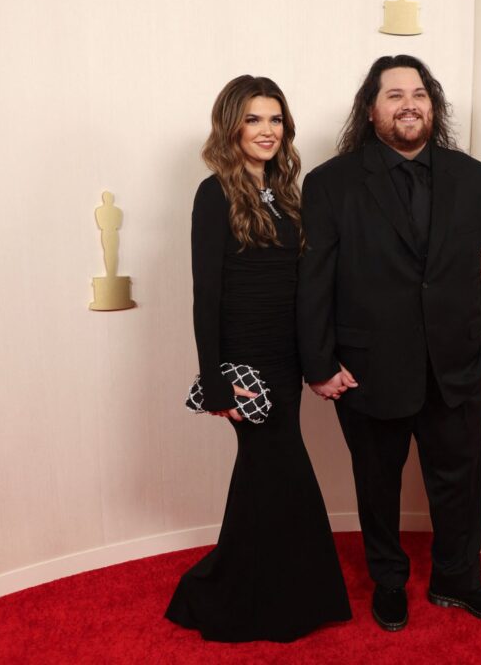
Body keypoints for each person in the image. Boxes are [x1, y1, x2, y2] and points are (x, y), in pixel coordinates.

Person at [297, 55, 481, 631]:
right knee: (377, 483)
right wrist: (318, 364)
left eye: (418, 93)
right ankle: (388, 581)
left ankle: (456, 578)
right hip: (368, 368)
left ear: (433, 104)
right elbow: (314, 280)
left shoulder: (473, 177)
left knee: (458, 480)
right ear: (370, 111)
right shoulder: (329, 183)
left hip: (456, 364)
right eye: (393, 95)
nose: (409, 104)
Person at [165, 75, 351, 642]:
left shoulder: (285, 191)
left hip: (286, 357)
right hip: (245, 362)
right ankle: (259, 601)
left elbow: (304, 281)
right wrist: (216, 380)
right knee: (279, 472)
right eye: (254, 119)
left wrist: (316, 357)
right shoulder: (212, 192)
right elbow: (207, 293)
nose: (267, 131)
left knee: (262, 478)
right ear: (231, 126)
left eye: (275, 120)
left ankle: (251, 592)